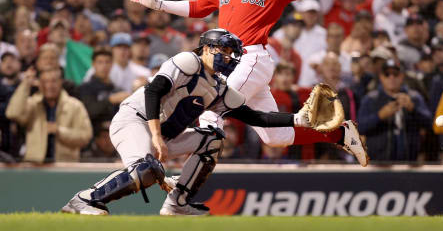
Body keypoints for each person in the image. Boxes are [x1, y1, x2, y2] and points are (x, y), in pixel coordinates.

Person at [130, 0, 368, 166]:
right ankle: (341, 134)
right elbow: (199, 7)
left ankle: (188, 183)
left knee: (213, 109)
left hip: (251, 57)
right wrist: (158, 5)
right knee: (276, 137)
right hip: (228, 62)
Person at [61, 29, 349, 216]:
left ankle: (178, 204)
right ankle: (85, 199)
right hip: (134, 121)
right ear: (207, 48)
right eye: (223, 51)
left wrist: (300, 119)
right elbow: (154, 90)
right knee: (146, 170)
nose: (227, 58)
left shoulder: (219, 87)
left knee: (213, 138)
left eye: (231, 54)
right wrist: (156, 137)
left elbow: (256, 117)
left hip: (163, 134)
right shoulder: (188, 61)